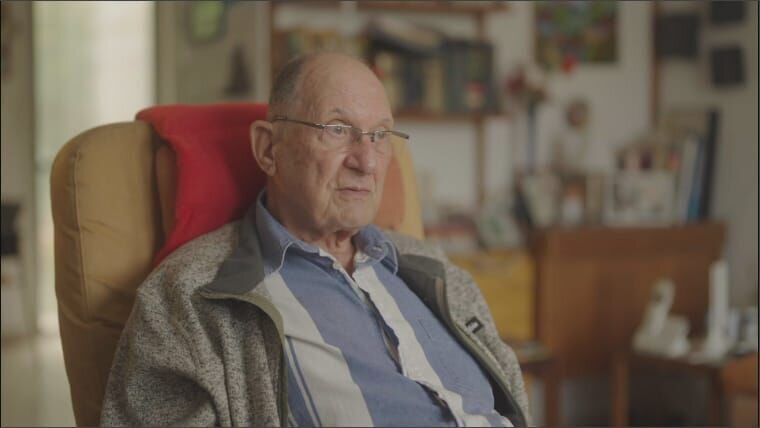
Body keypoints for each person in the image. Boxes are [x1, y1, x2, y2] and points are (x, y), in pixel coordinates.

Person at [101, 52, 530, 427]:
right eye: (337, 129)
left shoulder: (434, 269)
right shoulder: (189, 296)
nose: (367, 161)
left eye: (380, 135)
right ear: (268, 149)